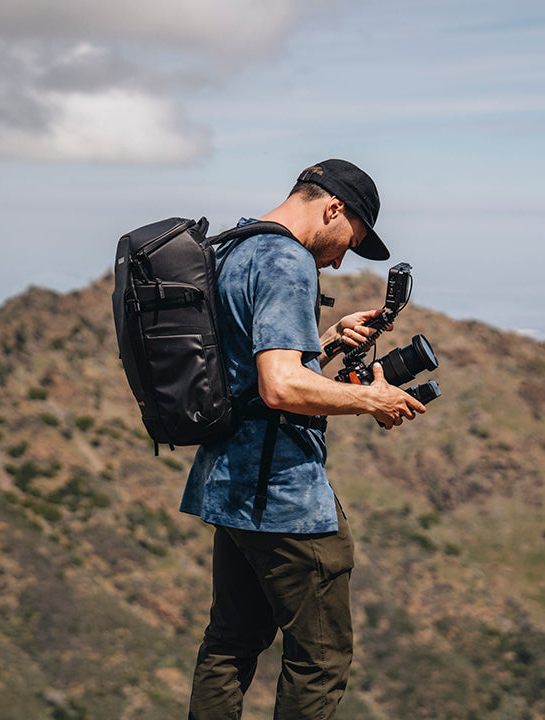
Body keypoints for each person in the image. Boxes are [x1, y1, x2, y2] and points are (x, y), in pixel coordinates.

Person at [181, 159, 425, 719]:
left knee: (231, 642)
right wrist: (374, 399)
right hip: (283, 496)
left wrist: (328, 339)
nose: (339, 260)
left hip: (230, 484)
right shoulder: (287, 260)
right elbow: (280, 386)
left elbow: (248, 367)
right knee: (320, 659)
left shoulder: (233, 246)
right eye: (349, 242)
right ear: (332, 208)